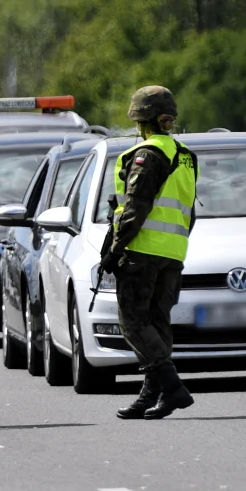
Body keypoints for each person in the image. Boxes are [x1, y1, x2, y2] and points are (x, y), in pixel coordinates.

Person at [100, 86, 199, 420]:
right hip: (172, 253)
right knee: (157, 323)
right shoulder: (185, 155)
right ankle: (150, 396)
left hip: (142, 251)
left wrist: (116, 249)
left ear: (141, 120)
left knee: (132, 323)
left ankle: (172, 388)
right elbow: (188, 212)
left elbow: (135, 208)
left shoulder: (147, 154)